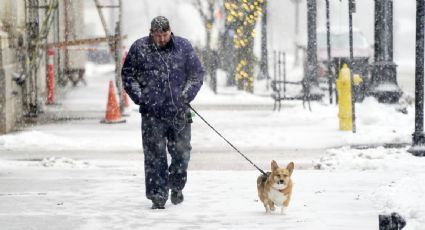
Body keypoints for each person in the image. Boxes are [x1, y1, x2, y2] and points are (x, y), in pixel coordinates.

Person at [121, 16, 204, 209]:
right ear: (151, 32)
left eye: (164, 35)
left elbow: (196, 74)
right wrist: (141, 97)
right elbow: (128, 75)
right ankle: (157, 196)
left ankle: (176, 185)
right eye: (157, 35)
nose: (161, 39)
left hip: (179, 112)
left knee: (182, 154)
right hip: (152, 114)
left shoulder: (183, 46)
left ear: (170, 31)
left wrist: (186, 95)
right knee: (154, 156)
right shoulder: (139, 48)